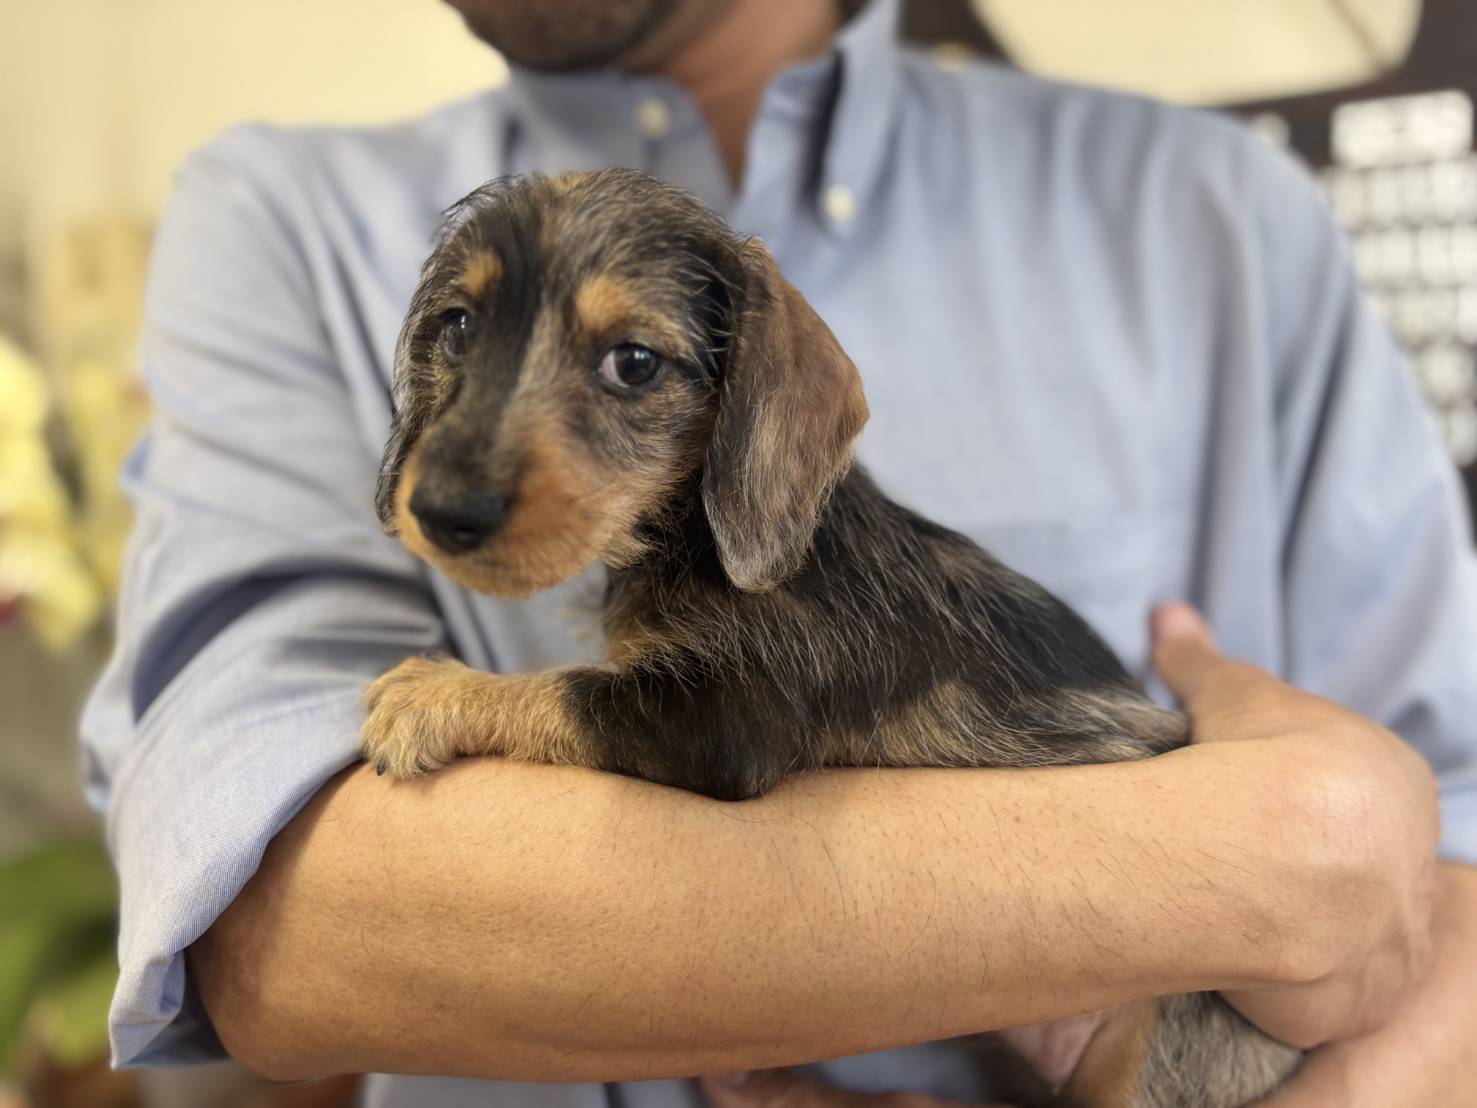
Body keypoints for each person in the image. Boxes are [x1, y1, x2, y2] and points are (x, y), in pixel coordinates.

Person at [81, 1, 1477, 1105]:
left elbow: (1456, 869)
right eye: (453, 333)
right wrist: (1274, 849)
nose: (474, 457)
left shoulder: (1222, 213)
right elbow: (281, 929)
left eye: (631, 364)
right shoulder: (275, 209)